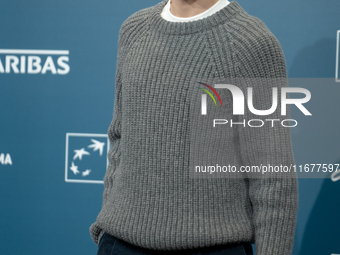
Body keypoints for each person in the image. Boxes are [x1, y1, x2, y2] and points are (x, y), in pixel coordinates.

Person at [90, 0, 299, 254]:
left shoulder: (251, 42)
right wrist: (108, 221)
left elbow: (272, 174)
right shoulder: (134, 29)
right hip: (120, 242)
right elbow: (119, 136)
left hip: (211, 247)